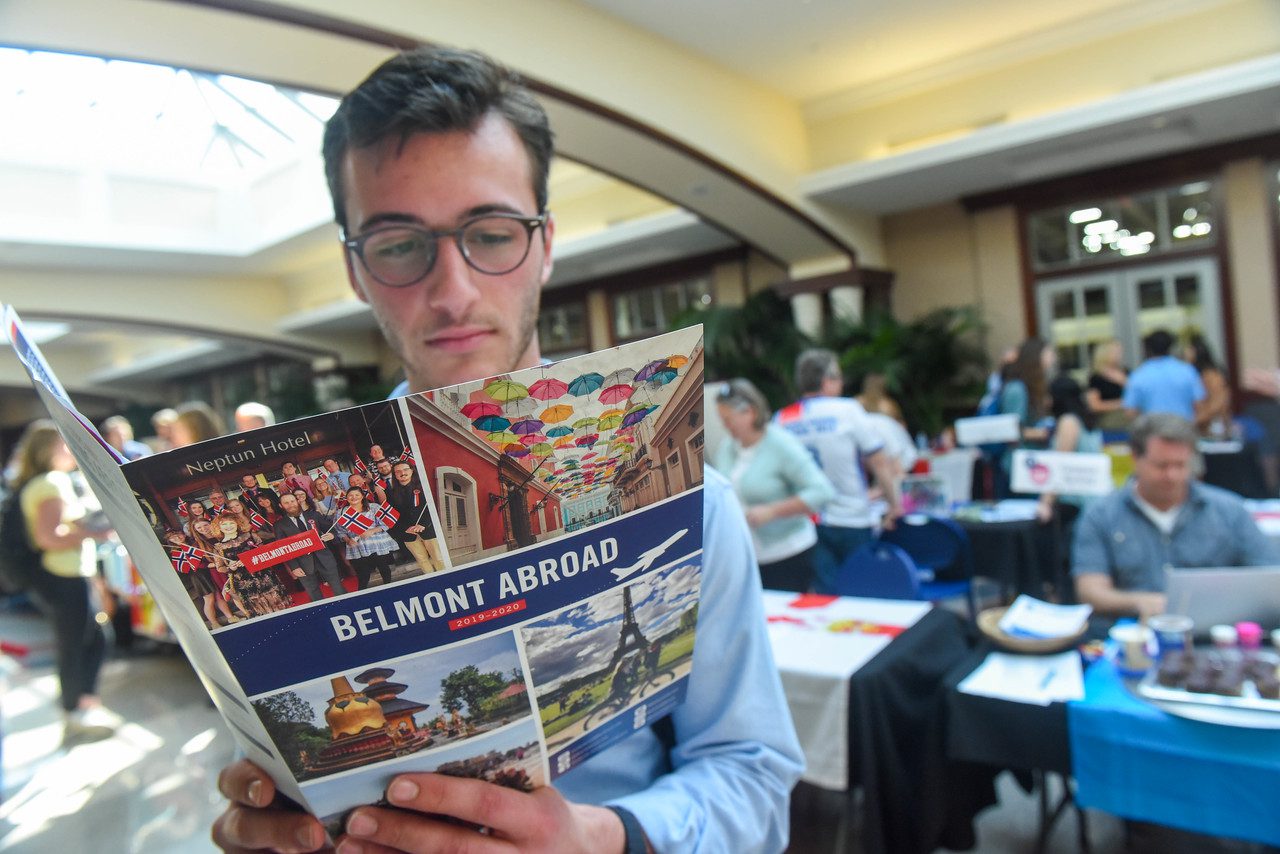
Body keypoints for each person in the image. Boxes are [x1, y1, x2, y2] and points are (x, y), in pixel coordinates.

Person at [212, 45, 802, 854]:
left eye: (490, 235)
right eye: (397, 245)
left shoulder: (695, 505)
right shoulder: (305, 514)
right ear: (355, 269)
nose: (452, 291)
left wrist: (600, 837)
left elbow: (755, 778)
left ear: (546, 244)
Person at [1071, 413, 1276, 620]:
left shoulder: (1229, 510)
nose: (1172, 476)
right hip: (1134, 630)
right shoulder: (1102, 515)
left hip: (1215, 627)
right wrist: (1143, 602)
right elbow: (1090, 591)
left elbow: (1270, 575)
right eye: (1161, 466)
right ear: (1135, 458)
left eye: (1180, 465)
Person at [11, 420, 117, 742]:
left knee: (94, 639)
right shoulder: (51, 483)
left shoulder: (44, 482)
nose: (70, 451)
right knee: (79, 644)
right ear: (48, 450)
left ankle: (82, 706)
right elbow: (48, 536)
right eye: (64, 445)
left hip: (67, 575)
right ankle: (76, 712)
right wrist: (94, 532)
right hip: (63, 575)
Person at [774, 349, 902, 593]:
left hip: (807, 521)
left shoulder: (782, 419)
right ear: (827, 380)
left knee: (826, 596)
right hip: (853, 518)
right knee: (863, 591)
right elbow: (879, 462)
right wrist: (894, 505)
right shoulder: (847, 410)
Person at [713, 378, 835, 592]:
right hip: (748, 554)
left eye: (728, 419)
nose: (725, 426)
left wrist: (773, 511)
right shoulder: (727, 448)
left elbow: (822, 491)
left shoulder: (781, 443)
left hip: (789, 553)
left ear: (749, 412)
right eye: (722, 420)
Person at [996, 337, 1055, 497]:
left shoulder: (1036, 386)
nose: (1053, 358)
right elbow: (1011, 430)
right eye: (1048, 353)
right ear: (1036, 356)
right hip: (1019, 466)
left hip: (1034, 463)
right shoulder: (1017, 388)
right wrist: (1044, 433)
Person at [273, 492, 346, 602]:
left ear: (298, 501)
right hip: (301, 564)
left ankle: (347, 606)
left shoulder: (314, 515)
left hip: (324, 557)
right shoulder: (279, 525)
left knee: (338, 588)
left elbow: (331, 529)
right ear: (281, 506)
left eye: (292, 501)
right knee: (314, 593)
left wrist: (332, 535)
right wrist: (294, 567)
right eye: (286, 503)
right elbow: (283, 548)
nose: (290, 504)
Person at [1123, 329, 1204, 421]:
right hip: (1182, 428)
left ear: (1148, 348)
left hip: (1152, 430)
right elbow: (1199, 403)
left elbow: (1130, 411)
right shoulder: (1187, 371)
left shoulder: (1139, 375)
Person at [384, 460, 444, 574]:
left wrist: (424, 524)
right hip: (408, 534)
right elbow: (392, 515)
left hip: (428, 529)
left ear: (412, 470)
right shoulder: (391, 493)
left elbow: (434, 507)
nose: (402, 473)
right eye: (398, 471)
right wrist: (405, 528)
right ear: (395, 475)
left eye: (405, 469)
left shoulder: (424, 487)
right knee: (422, 561)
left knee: (439, 558)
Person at [337, 486, 402, 589]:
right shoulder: (341, 512)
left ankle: (389, 588)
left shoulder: (374, 507)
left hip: (377, 543)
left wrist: (371, 531)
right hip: (357, 546)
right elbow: (340, 531)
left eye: (357, 495)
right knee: (363, 574)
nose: (354, 497)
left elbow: (386, 524)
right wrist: (348, 540)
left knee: (383, 567)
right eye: (350, 495)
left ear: (363, 496)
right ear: (346, 497)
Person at [1184, 334, 1232, 437]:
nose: (1185, 355)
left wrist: (1198, 418)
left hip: (1214, 427)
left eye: (1189, 350)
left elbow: (1218, 403)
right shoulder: (1193, 375)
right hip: (1199, 428)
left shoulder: (1212, 375)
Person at [1085, 338, 1129, 433]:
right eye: (1115, 352)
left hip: (1129, 417)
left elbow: (1137, 394)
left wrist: (1124, 381)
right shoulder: (1096, 378)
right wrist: (1119, 404)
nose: (1119, 355)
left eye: (1120, 352)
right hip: (1109, 420)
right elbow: (1094, 405)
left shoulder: (1126, 372)